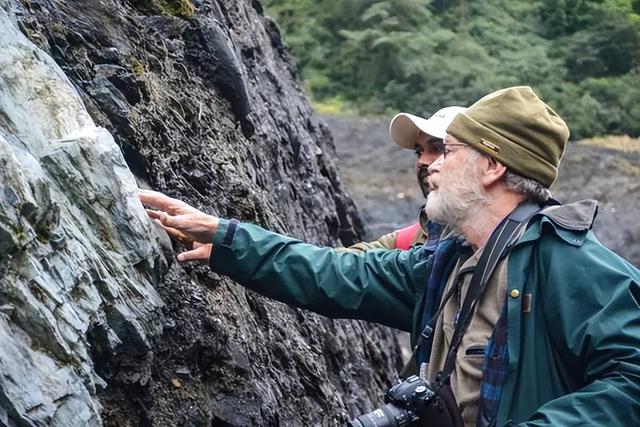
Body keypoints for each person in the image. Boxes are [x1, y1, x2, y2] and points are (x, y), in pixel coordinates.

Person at [139, 86, 640, 426]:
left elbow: (631, 382)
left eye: (449, 151)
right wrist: (226, 238)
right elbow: (337, 274)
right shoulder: (446, 260)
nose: (432, 166)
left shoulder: (571, 262)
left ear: (490, 165)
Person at [346, 106, 466, 252]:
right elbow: (351, 262)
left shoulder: (494, 247)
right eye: (419, 152)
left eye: (440, 149)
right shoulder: (407, 241)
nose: (422, 160)